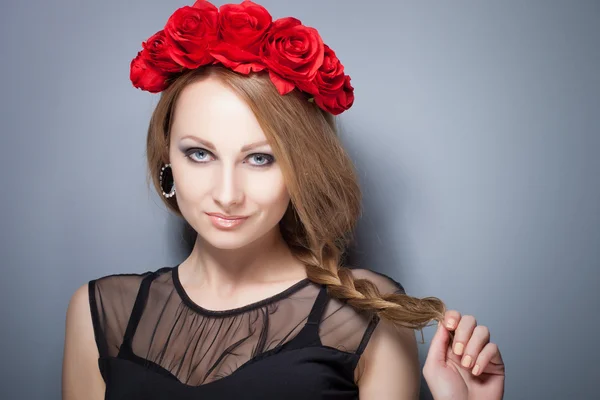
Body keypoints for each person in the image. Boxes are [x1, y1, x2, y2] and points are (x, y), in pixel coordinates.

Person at [61, 1, 505, 399]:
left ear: (299, 170)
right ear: (167, 159)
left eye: (260, 158)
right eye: (200, 154)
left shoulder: (366, 313)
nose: (227, 194)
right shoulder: (99, 311)